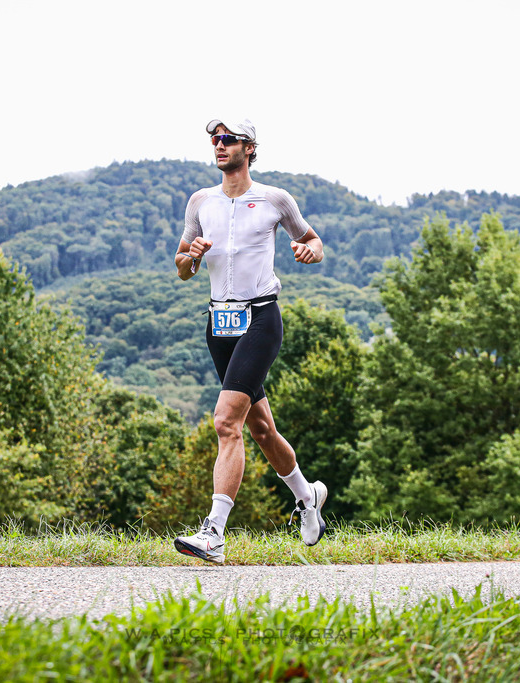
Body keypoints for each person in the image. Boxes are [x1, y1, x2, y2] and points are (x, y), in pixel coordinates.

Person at [172, 117, 327, 564]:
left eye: (228, 140)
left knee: (226, 421)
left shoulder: (275, 199)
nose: (218, 146)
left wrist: (308, 252)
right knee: (260, 428)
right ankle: (307, 495)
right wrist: (192, 259)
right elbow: (181, 265)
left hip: (260, 318)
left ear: (250, 148)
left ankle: (214, 534)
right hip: (219, 324)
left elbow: (314, 242)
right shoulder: (200, 202)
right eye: (214, 140)